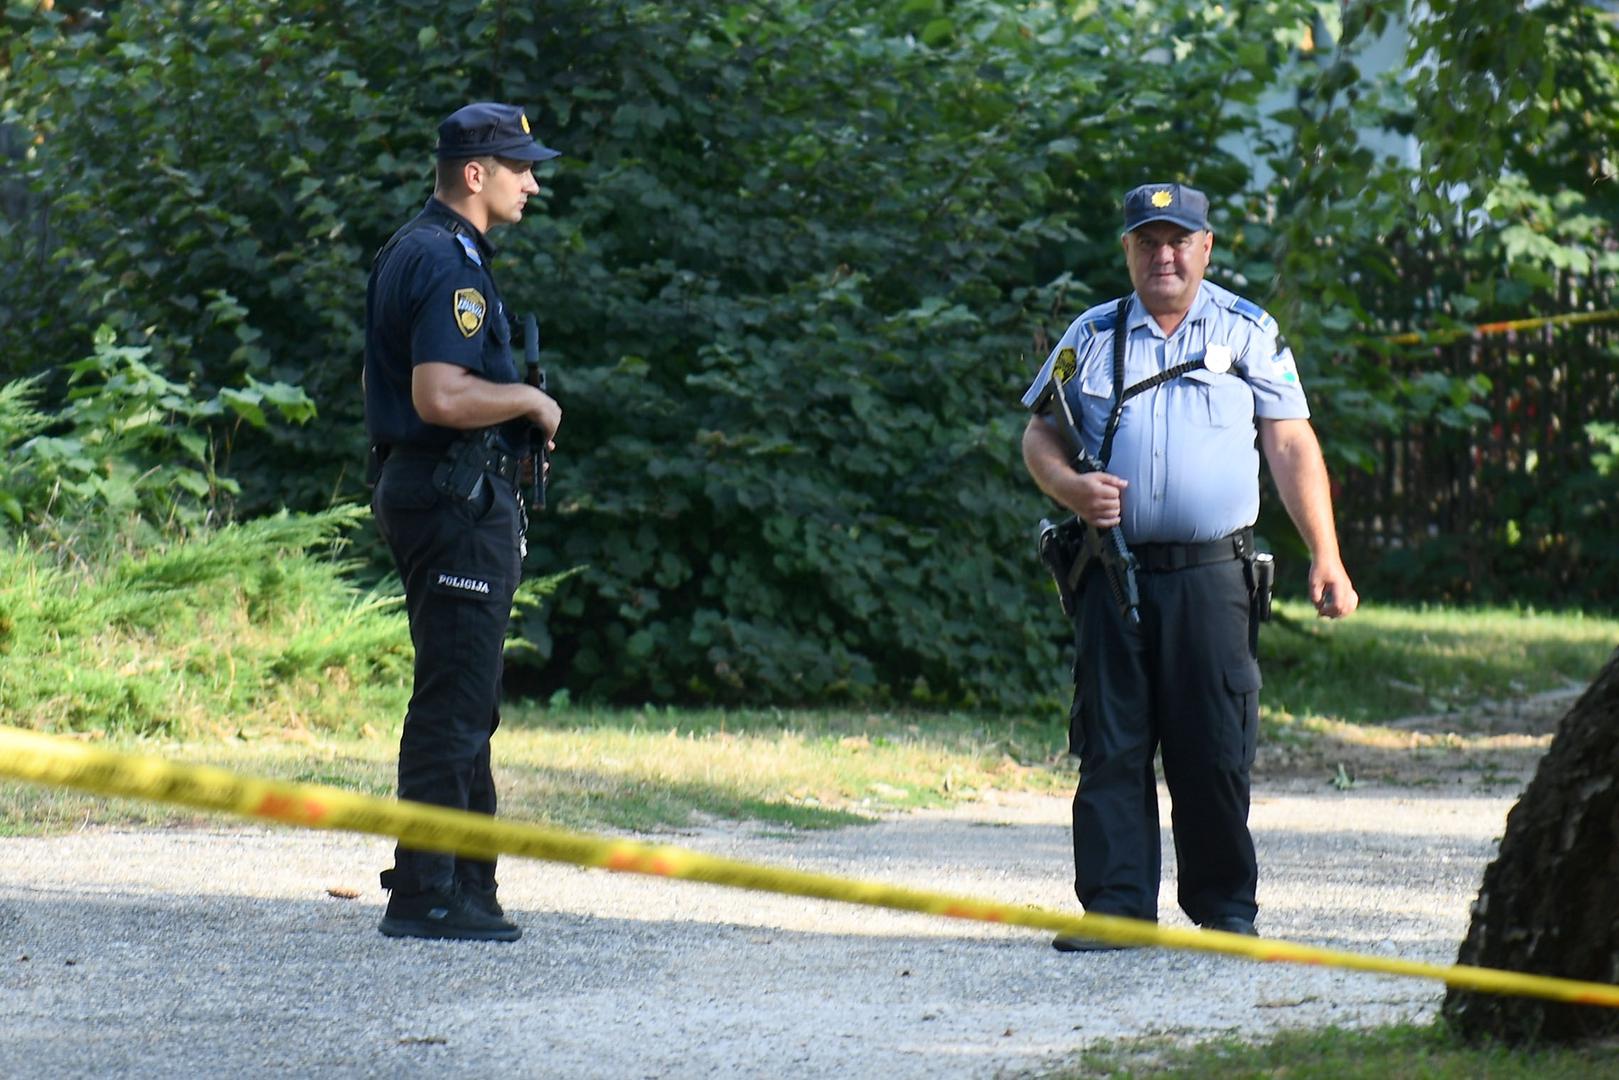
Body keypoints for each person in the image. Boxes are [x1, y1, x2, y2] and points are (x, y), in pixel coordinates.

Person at [1019, 182, 1358, 950]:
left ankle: (1224, 910)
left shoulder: (1247, 331)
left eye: (1178, 241)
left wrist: (1325, 556)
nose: (1163, 254)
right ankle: (1115, 910)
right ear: (1129, 251)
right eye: (1148, 241)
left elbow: (1290, 443)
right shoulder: (1093, 333)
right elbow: (1039, 434)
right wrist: (1071, 488)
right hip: (1111, 571)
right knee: (1112, 743)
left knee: (1212, 745)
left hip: (1213, 574)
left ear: (1205, 248)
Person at [362, 102, 563, 942]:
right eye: (520, 167)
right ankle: (426, 890)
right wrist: (530, 400)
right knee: (453, 698)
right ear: (474, 175)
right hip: (451, 497)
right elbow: (439, 396)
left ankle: (467, 885)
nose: (533, 181)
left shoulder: (430, 248)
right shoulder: (447, 264)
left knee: (468, 694)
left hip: (446, 495)